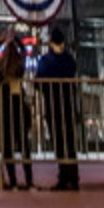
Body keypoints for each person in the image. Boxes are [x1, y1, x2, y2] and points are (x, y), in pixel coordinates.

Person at [34, 24, 80, 191]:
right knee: (70, 142)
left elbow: (38, 82)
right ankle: (73, 177)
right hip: (68, 104)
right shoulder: (69, 59)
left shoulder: (46, 61)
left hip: (53, 105)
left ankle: (64, 176)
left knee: (59, 143)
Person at [0, 27, 34, 191]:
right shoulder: (19, 68)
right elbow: (24, 52)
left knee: (8, 146)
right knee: (24, 144)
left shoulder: (2, 69)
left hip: (6, 107)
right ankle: (29, 181)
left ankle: (14, 182)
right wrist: (16, 40)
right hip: (18, 106)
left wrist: (1, 42)